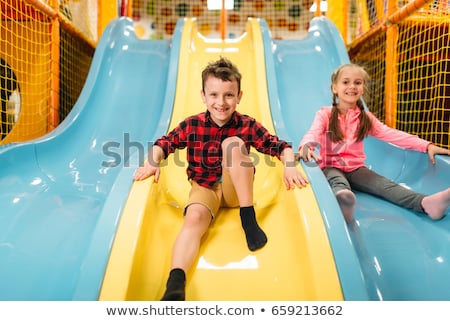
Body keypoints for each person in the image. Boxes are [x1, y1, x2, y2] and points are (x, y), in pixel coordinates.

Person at [134, 57, 308, 300]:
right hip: (204, 187)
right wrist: (152, 161)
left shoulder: (247, 125)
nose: (221, 102)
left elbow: (279, 146)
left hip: (237, 191)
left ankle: (248, 218)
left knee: (234, 144)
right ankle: (175, 283)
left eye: (228, 95)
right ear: (203, 96)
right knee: (193, 218)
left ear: (239, 96)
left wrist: (289, 166)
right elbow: (165, 143)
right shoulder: (191, 124)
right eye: (214, 95)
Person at [298, 63, 450, 224]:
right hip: (330, 166)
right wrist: (307, 145)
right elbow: (312, 133)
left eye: (357, 82)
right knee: (338, 181)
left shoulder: (366, 118)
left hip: (356, 169)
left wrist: (426, 145)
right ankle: (343, 203)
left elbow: (393, 135)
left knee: (384, 185)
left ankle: (426, 204)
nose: (352, 86)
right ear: (334, 88)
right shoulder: (325, 114)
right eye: (345, 82)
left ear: (363, 88)